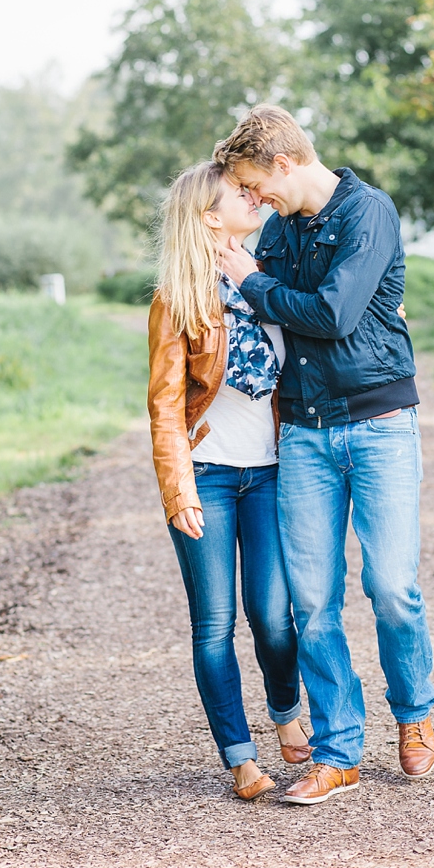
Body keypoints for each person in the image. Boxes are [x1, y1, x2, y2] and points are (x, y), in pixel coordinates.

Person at [214, 104, 434, 806]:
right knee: (313, 603)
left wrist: (256, 282)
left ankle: (414, 710)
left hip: (379, 423)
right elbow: (275, 310)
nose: (256, 200)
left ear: (283, 163)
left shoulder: (368, 212)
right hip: (305, 434)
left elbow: (334, 314)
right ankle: (338, 752)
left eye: (256, 185)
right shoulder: (277, 232)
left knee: (392, 588)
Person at [147, 160, 311, 801]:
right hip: (208, 476)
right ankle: (239, 756)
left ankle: (285, 709)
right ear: (209, 216)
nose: (254, 197)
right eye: (239, 194)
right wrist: (177, 488)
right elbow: (164, 405)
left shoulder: (266, 276)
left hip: (271, 472)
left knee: (272, 616)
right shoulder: (176, 299)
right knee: (213, 624)